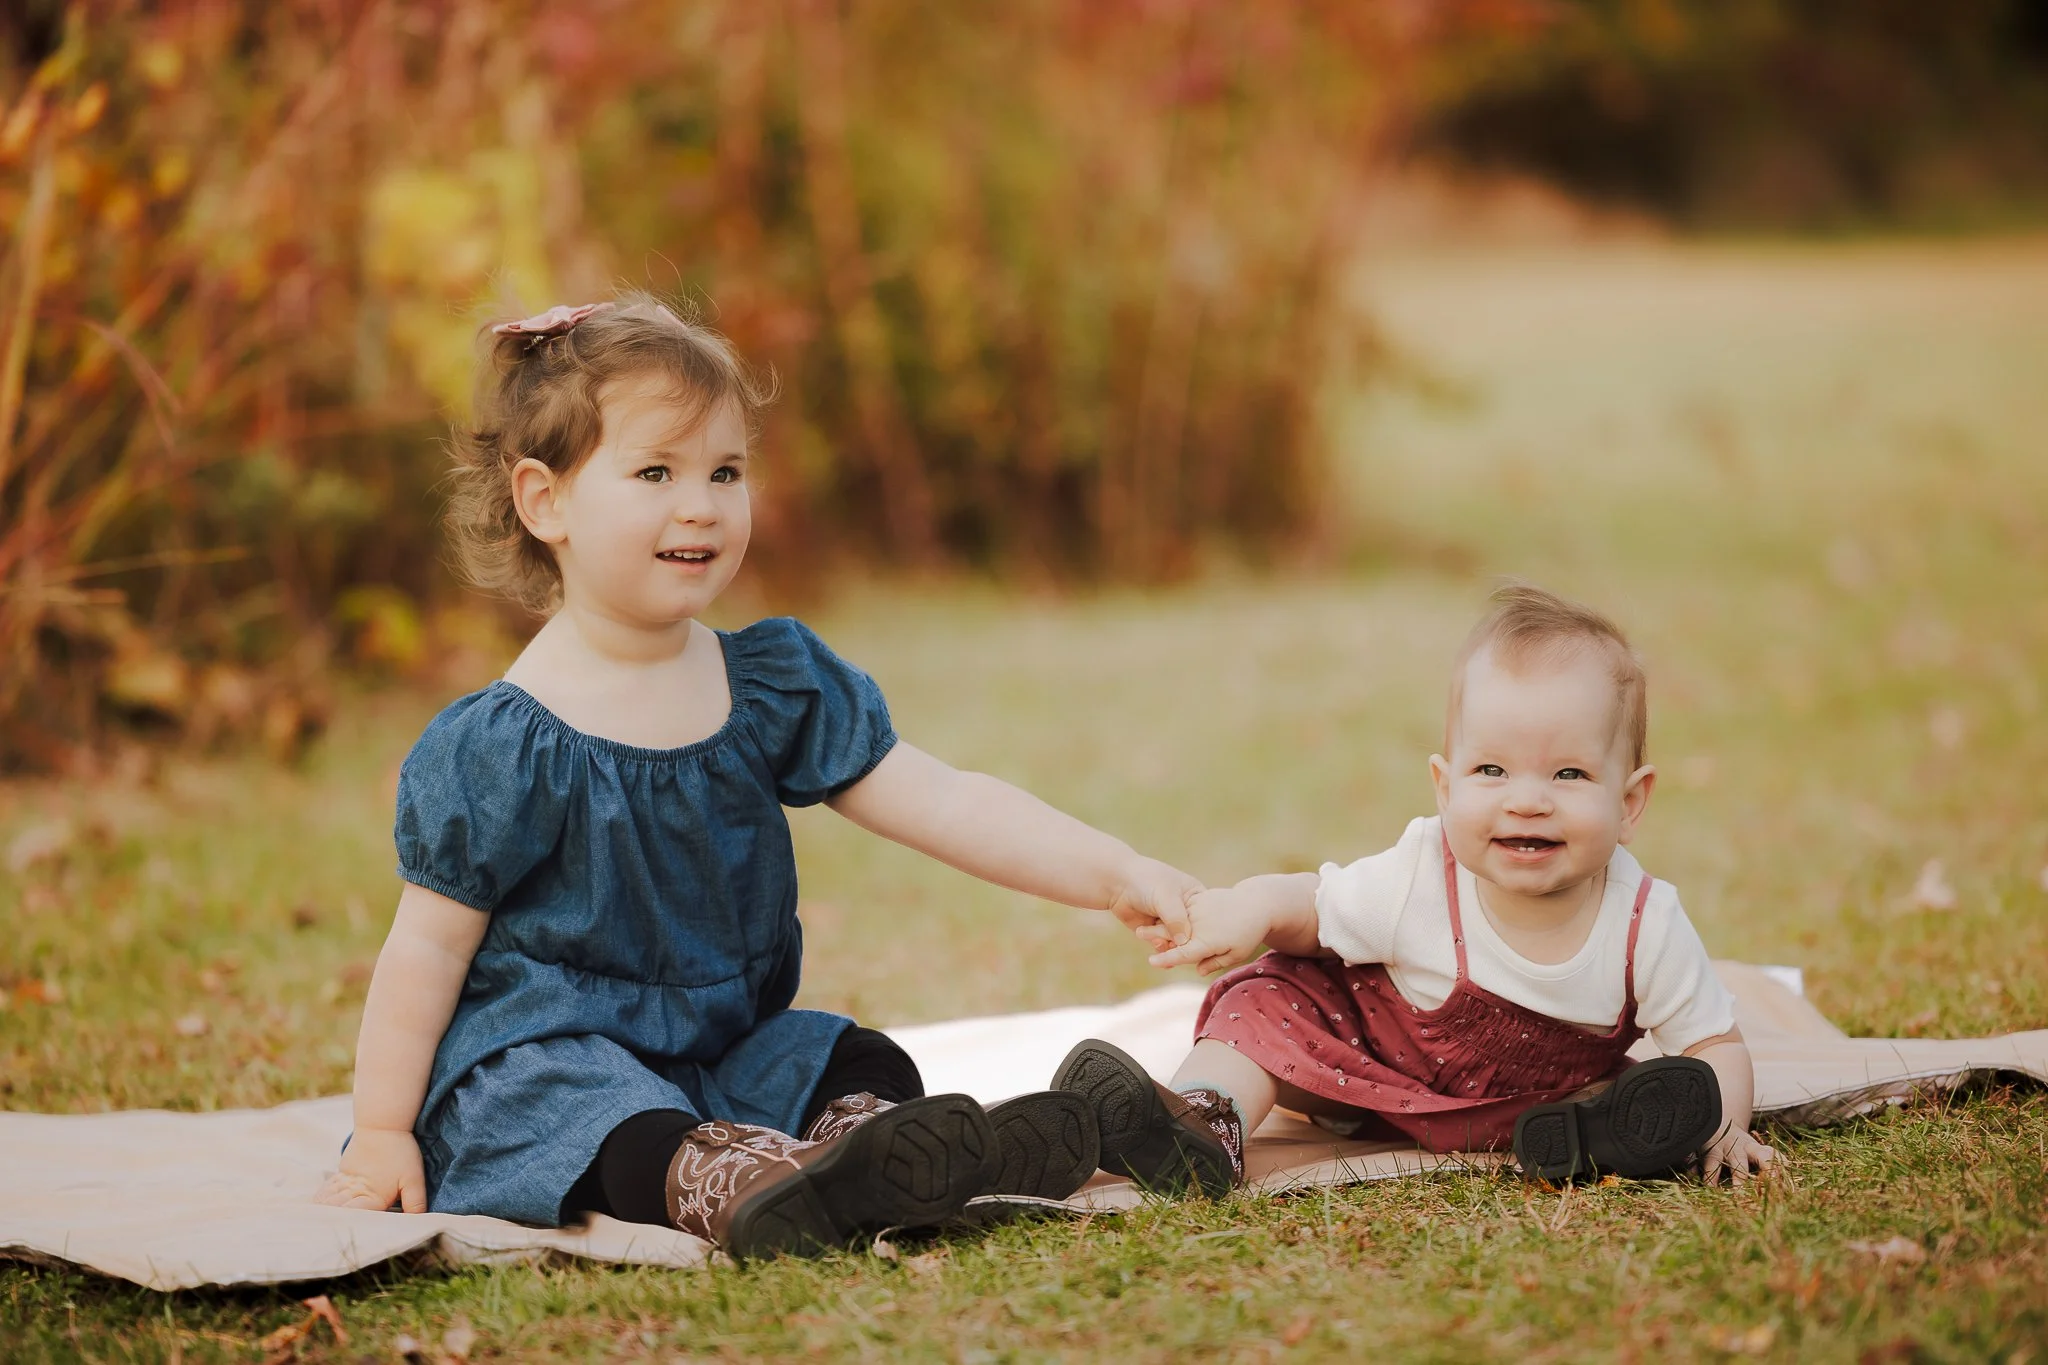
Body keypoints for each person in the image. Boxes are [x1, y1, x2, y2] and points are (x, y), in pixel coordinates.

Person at [314, 297, 1197, 1259]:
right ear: (545, 501)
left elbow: (942, 799)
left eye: (725, 472)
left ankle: (872, 1153)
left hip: (721, 1048)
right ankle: (731, 1178)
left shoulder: (766, 686)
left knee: (852, 1053)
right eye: (656, 471)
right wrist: (384, 1130)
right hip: (549, 1059)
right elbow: (427, 953)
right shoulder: (504, 743)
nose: (701, 503)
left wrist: (1115, 870)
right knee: (596, 1113)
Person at [1054, 584, 1779, 1193]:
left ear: (1630, 802)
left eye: (1568, 774)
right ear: (1445, 785)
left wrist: (1726, 1127)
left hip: (1520, 1109)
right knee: (1260, 1002)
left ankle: (1595, 1137)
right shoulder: (1423, 873)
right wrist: (1249, 908)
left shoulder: (1643, 924)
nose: (1525, 800)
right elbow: (1314, 906)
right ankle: (1205, 1126)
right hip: (1354, 1062)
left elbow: (1716, 1042)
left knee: (1642, 1088)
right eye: (1491, 771)